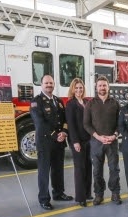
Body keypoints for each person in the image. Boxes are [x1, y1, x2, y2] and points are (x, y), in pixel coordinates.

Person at [30, 74, 73, 210]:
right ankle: (44, 199)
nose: (49, 85)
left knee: (58, 170)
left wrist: (65, 132)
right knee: (44, 171)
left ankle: (58, 193)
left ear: (54, 84)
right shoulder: (36, 102)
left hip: (58, 142)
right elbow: (40, 123)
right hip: (45, 142)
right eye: (46, 83)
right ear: (41, 85)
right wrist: (56, 135)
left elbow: (65, 119)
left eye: (51, 83)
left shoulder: (58, 101)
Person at [84, 76, 122, 206]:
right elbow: (86, 124)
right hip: (96, 142)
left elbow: (120, 123)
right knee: (97, 170)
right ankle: (98, 194)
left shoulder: (115, 103)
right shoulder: (90, 104)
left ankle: (115, 193)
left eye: (104, 85)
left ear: (108, 87)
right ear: (96, 87)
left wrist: (115, 135)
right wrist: (98, 137)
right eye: (100, 85)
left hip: (112, 142)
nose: (102, 88)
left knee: (114, 169)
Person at [65, 78, 93, 207]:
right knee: (80, 168)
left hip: (88, 140)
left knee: (88, 166)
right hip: (77, 141)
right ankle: (80, 197)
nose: (78, 90)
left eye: (80, 88)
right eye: (76, 88)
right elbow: (71, 125)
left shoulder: (87, 102)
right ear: (72, 89)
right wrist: (75, 141)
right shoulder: (71, 104)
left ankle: (87, 193)